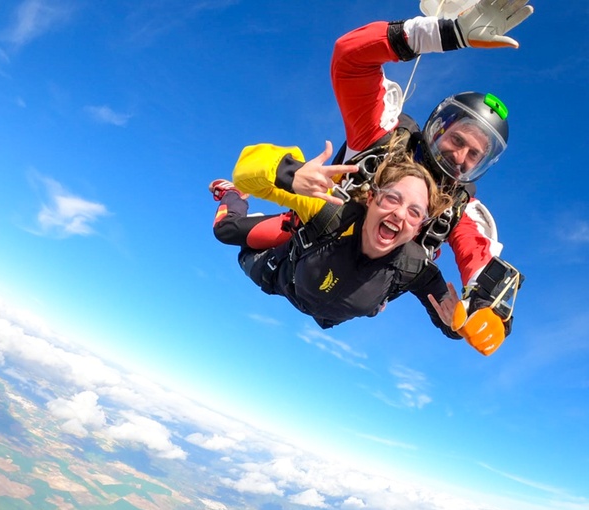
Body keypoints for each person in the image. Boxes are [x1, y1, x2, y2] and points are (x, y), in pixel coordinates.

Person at [212, 0, 531, 355]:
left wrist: (487, 313)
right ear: (438, 128)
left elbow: (479, 259)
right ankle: (230, 196)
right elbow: (349, 58)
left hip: (346, 289)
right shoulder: (380, 139)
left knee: (428, 290)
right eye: (457, 140)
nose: (460, 157)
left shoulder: (457, 207)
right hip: (310, 237)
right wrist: (442, 33)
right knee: (228, 232)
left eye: (474, 155)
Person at [210, 139, 463, 339]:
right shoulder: (328, 208)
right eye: (392, 198)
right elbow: (245, 169)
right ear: (372, 199)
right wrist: (291, 174)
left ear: (418, 228)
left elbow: (450, 320)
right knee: (226, 230)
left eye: (414, 212)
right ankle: (232, 196)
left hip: (319, 299)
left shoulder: (414, 266)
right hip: (279, 269)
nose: (399, 213)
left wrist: (460, 325)